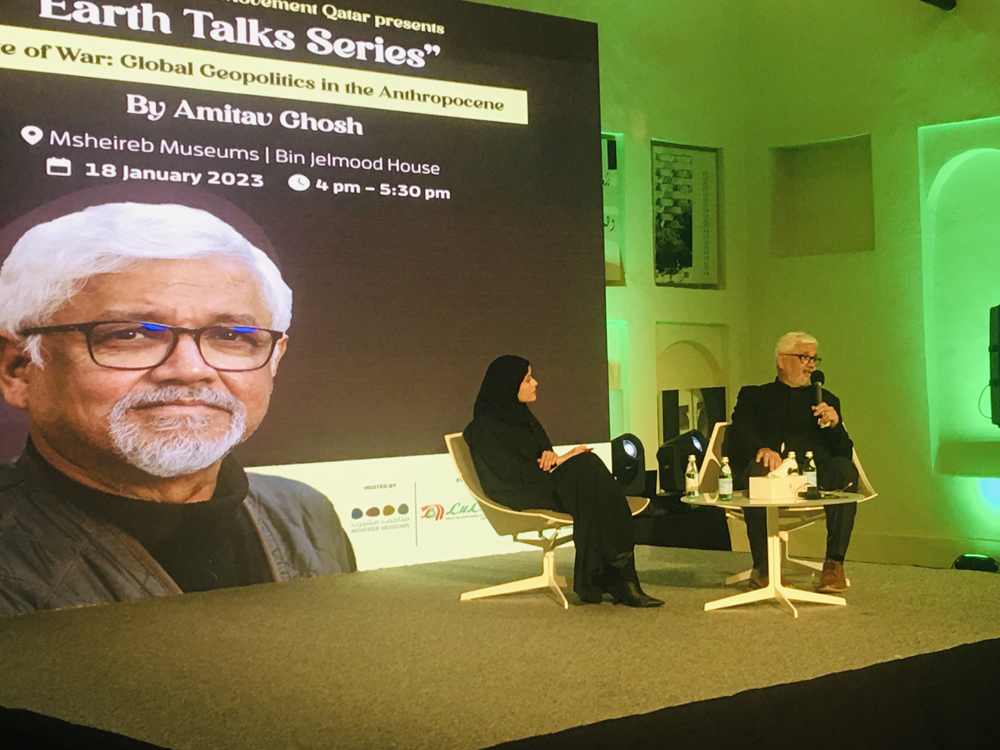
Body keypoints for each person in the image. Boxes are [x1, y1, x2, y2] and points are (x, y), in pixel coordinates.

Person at [0, 202, 355, 617]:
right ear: (18, 369)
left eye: (231, 335)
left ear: (274, 358)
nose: (190, 370)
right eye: (129, 334)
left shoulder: (304, 513)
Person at [463, 355, 662, 607]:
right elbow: (506, 476)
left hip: (539, 483)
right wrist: (562, 459)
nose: (535, 383)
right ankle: (619, 577)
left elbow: (542, 453)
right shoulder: (483, 428)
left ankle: (615, 577)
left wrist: (550, 455)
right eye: (527, 379)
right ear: (508, 385)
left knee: (589, 474)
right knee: (587, 471)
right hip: (515, 492)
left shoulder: (522, 416)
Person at [724, 331, 858, 593]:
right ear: (781, 360)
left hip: (812, 478)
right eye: (803, 357)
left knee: (845, 471)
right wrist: (762, 449)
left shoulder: (825, 399)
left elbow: (844, 451)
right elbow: (739, 434)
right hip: (771, 474)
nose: (810, 364)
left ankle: (834, 565)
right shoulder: (754, 396)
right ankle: (763, 569)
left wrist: (834, 425)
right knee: (759, 468)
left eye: (814, 359)